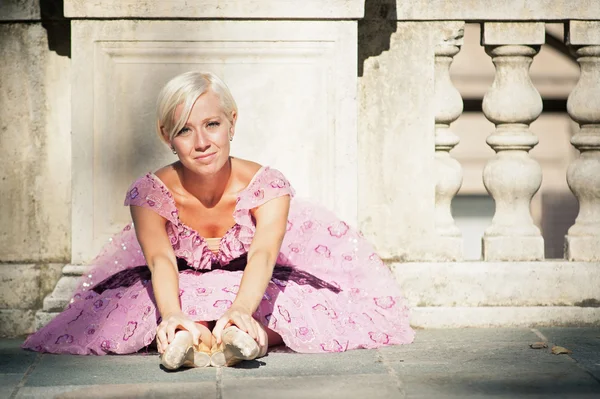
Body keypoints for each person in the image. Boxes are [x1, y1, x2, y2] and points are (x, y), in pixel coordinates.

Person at [22, 71, 415, 368]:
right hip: (180, 280)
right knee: (159, 309)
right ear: (166, 136)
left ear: (232, 122)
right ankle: (186, 340)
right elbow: (160, 260)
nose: (201, 142)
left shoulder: (268, 186)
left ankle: (245, 337)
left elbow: (262, 255)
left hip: (253, 281)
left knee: (287, 307)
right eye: (184, 131)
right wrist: (173, 314)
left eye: (212, 124)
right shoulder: (149, 193)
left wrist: (242, 308)